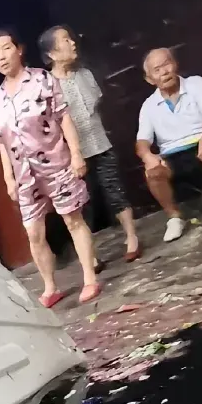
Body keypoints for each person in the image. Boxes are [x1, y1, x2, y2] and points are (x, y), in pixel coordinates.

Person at [0, 28, 101, 308]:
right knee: (33, 233)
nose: (1, 56)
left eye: (5, 48)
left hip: (57, 165)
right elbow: (1, 141)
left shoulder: (42, 79)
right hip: (25, 177)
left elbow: (64, 118)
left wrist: (76, 154)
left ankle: (89, 278)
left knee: (73, 219)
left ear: (19, 49)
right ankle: (50, 287)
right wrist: (8, 179)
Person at [39, 24, 140, 263]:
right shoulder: (46, 87)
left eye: (71, 39)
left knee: (114, 190)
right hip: (71, 155)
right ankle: (90, 256)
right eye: (65, 40)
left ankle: (132, 237)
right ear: (52, 54)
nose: (73, 43)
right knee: (81, 204)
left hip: (100, 142)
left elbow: (98, 105)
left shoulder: (85, 75)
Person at [135, 48, 202, 242]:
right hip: (172, 155)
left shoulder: (195, 83)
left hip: (201, 143)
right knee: (152, 172)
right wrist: (148, 156)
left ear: (175, 64)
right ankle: (174, 217)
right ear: (150, 79)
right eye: (157, 69)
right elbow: (142, 142)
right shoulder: (148, 106)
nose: (164, 72)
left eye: (167, 64)